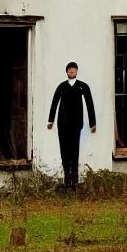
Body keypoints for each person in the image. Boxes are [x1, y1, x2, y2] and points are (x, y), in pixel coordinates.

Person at [47, 62, 96, 190]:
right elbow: (54, 103)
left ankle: (75, 181)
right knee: (64, 150)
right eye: (69, 69)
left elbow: (89, 103)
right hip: (62, 123)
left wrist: (92, 123)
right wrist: (50, 120)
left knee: (74, 150)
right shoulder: (62, 87)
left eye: (74, 69)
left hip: (76, 124)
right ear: (67, 72)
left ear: (77, 71)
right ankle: (66, 180)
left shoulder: (82, 86)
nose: (72, 71)